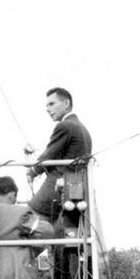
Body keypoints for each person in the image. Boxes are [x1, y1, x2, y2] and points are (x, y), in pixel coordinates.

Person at [27, 87, 92, 222]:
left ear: (66, 104)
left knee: (28, 218)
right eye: (46, 106)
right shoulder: (82, 128)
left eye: (52, 104)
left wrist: (32, 171)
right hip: (76, 188)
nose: (47, 109)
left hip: (57, 187)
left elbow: (48, 156)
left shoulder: (65, 126)